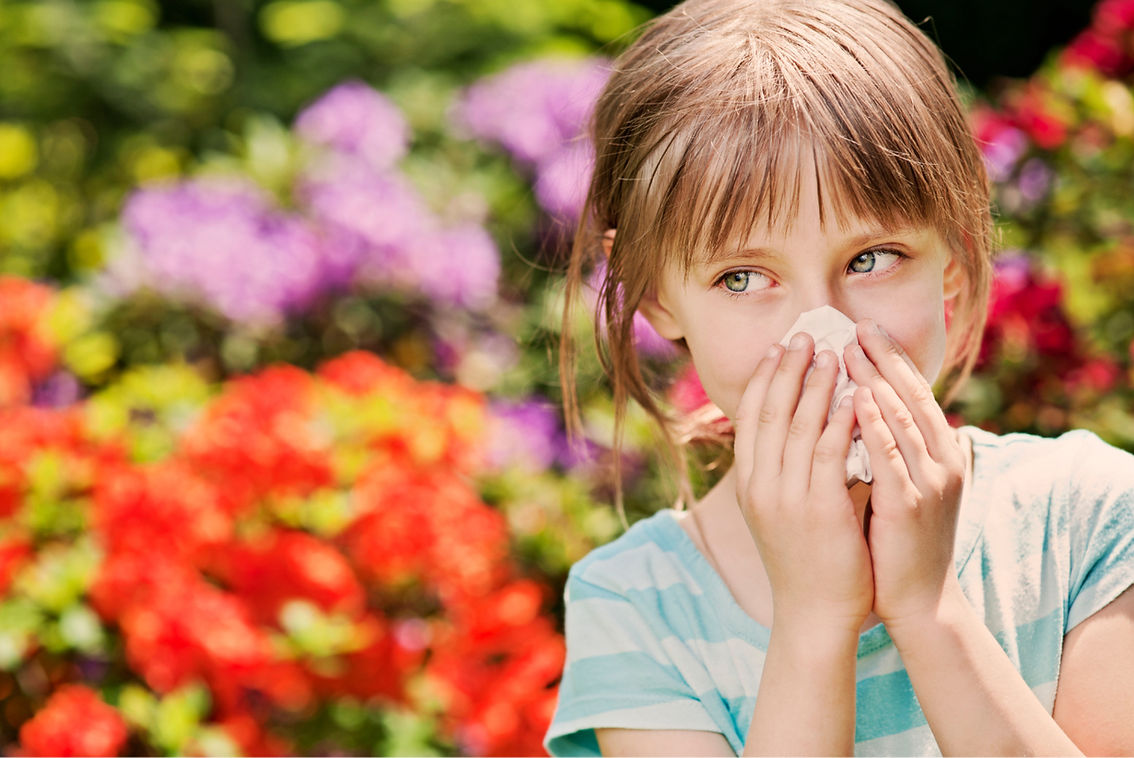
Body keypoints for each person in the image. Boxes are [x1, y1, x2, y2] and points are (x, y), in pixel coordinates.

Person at [544, 0, 1134, 755]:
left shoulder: (1083, 521)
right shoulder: (634, 607)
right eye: (744, 276)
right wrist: (813, 621)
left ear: (951, 258)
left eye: (869, 259)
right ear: (657, 293)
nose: (822, 332)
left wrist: (929, 611)